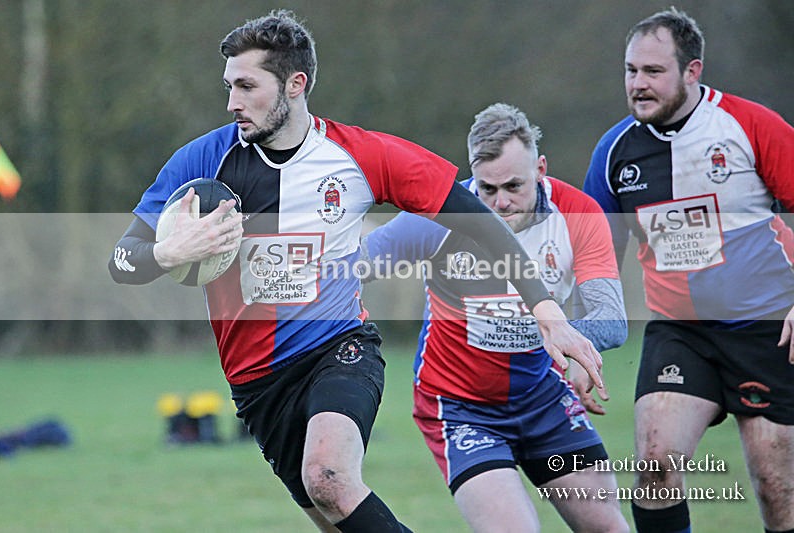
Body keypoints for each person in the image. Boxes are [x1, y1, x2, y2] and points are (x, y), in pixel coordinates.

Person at [108, 10, 604, 533]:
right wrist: (167, 252)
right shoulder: (202, 161)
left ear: (295, 85)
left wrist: (547, 312)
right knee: (335, 515)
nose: (232, 101)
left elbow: (479, 222)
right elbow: (123, 261)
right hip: (256, 384)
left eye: (247, 86)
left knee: (329, 478)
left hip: (338, 350)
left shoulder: (359, 155)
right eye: (229, 85)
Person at [362, 103, 630, 533]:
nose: (501, 202)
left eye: (514, 186)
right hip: (461, 408)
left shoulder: (577, 215)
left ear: (541, 168)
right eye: (487, 189)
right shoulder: (438, 217)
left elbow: (611, 319)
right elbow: (355, 265)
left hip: (544, 397)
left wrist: (572, 343)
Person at [583, 8, 794, 533]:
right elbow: (591, 253)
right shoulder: (614, 152)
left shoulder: (750, 126)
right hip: (681, 331)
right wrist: (576, 333)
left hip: (768, 329)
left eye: (653, 71)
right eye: (631, 71)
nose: (638, 84)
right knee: (654, 465)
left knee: (776, 487)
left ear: (693, 71)